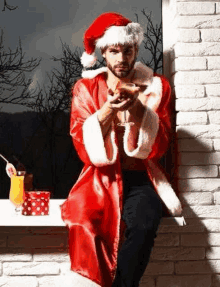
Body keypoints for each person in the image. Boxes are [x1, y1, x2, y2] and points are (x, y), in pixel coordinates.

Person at [60, 12, 183, 287]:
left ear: (136, 50)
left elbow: (161, 144)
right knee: (84, 224)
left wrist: (139, 110)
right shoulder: (86, 89)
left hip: (140, 178)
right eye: (114, 51)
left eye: (127, 50)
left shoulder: (156, 87)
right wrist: (106, 112)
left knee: (144, 223)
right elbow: (81, 145)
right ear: (103, 52)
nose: (121, 58)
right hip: (99, 179)